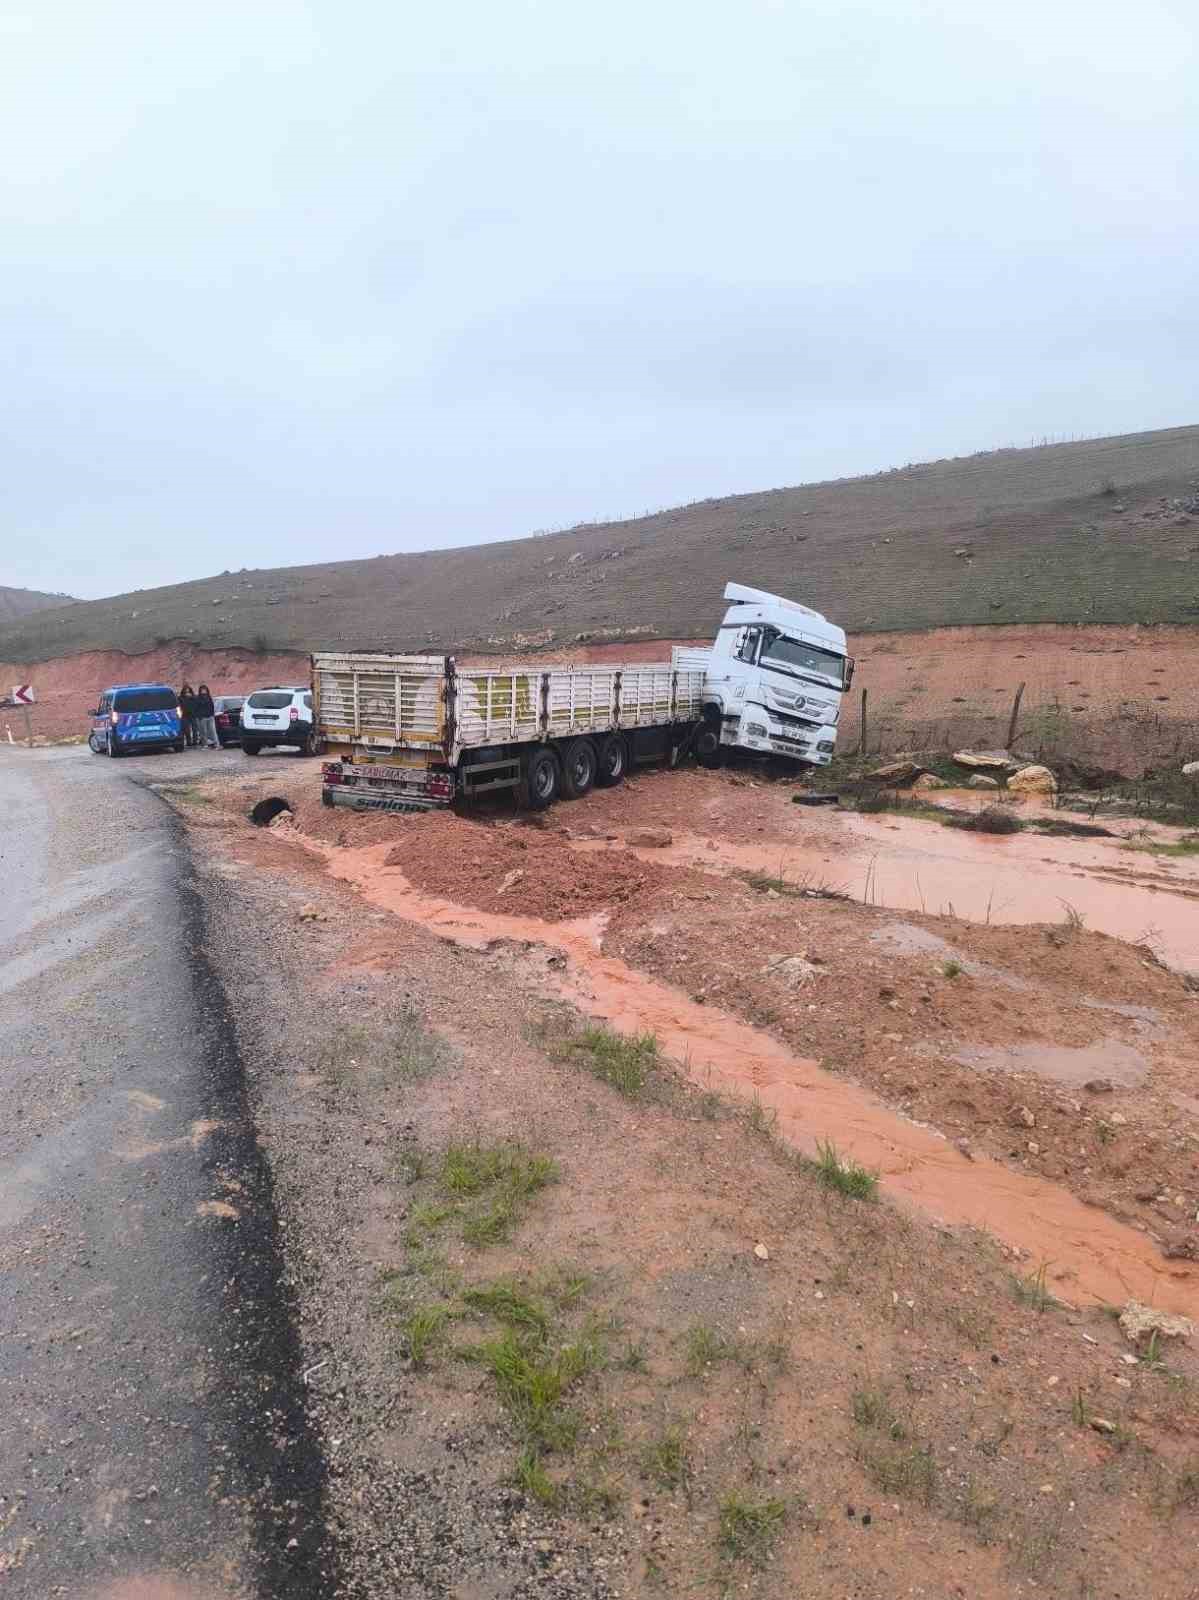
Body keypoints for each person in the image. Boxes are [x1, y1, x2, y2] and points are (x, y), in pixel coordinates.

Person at [194, 683, 218, 749]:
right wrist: (199, 716)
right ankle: (205, 745)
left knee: (213, 731)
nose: (203, 691)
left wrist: (212, 714)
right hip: (202, 718)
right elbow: (196, 708)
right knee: (203, 732)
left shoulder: (209, 698)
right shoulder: (198, 698)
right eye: (202, 690)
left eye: (204, 690)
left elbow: (212, 706)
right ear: (200, 690)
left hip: (210, 717)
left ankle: (216, 744)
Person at [179, 683, 197, 747]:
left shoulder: (194, 697)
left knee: (195, 729)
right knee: (187, 730)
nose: (187, 692)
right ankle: (189, 742)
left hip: (193, 715)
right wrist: (180, 715)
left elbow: (195, 705)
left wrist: (191, 697)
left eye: (188, 690)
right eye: (186, 691)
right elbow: (180, 707)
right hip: (185, 715)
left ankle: (195, 742)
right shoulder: (181, 698)